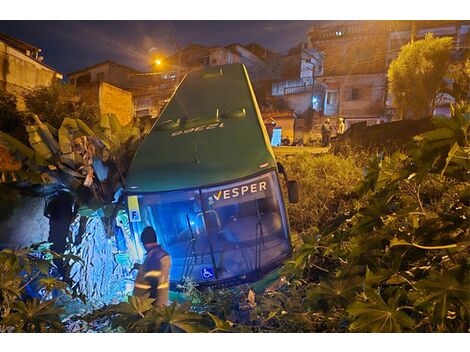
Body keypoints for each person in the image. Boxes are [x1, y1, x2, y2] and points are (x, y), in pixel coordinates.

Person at [133, 227, 171, 306]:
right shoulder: (159, 254)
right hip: (153, 305)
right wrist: (140, 267)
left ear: (144, 243)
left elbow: (153, 283)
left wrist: (152, 308)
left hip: (149, 306)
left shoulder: (155, 256)